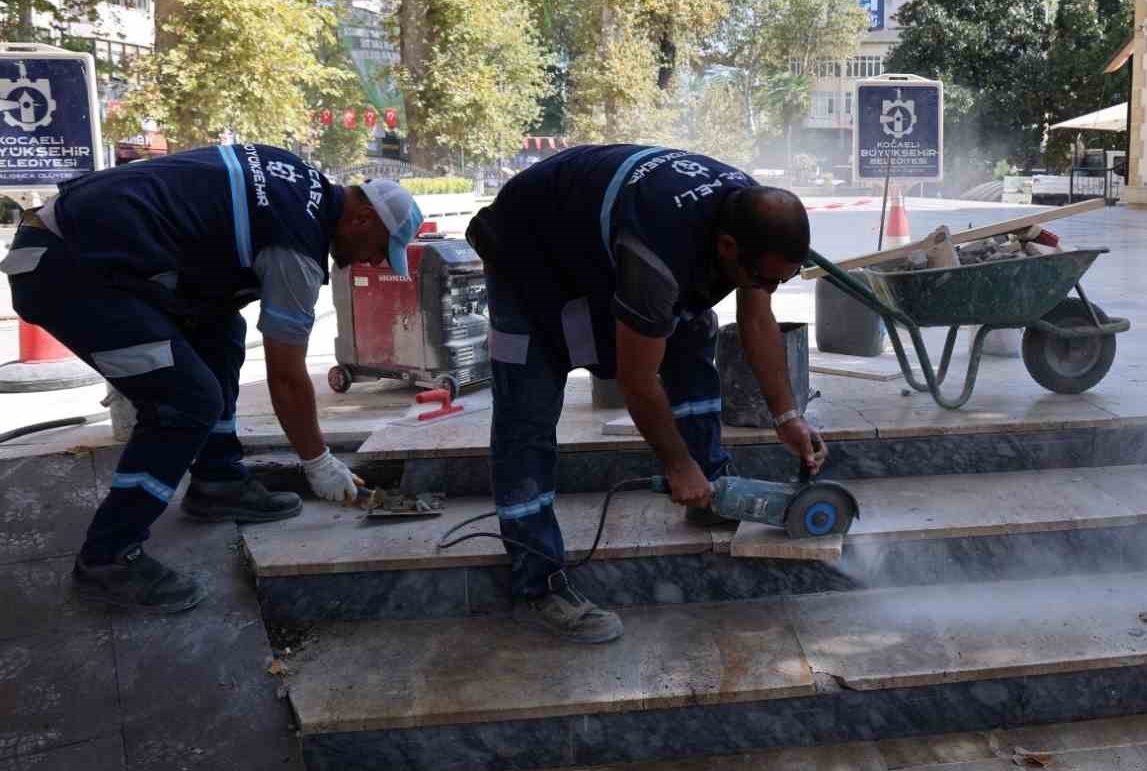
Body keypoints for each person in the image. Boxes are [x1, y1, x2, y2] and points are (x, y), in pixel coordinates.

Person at [2, 144, 422, 613]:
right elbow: (285, 376)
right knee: (185, 402)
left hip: (79, 246)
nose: (374, 263)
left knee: (222, 330)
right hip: (68, 268)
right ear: (362, 220)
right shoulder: (296, 246)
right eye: (381, 250)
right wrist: (318, 462)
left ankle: (218, 480)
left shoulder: (295, 177)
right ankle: (109, 556)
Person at [466, 144, 826, 644]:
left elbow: (756, 313)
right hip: (525, 252)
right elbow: (637, 381)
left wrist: (787, 414)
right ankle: (536, 582)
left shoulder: (748, 213)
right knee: (527, 411)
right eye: (766, 277)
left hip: (595, 241)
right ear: (725, 247)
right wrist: (675, 465)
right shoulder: (657, 255)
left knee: (691, 332)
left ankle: (711, 494)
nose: (770, 287)